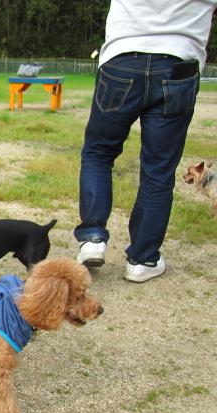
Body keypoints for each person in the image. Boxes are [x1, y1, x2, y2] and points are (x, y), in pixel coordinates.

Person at [75, 0, 217, 283]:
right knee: (159, 170)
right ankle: (143, 259)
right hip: (179, 64)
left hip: (122, 57)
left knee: (99, 153)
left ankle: (92, 238)